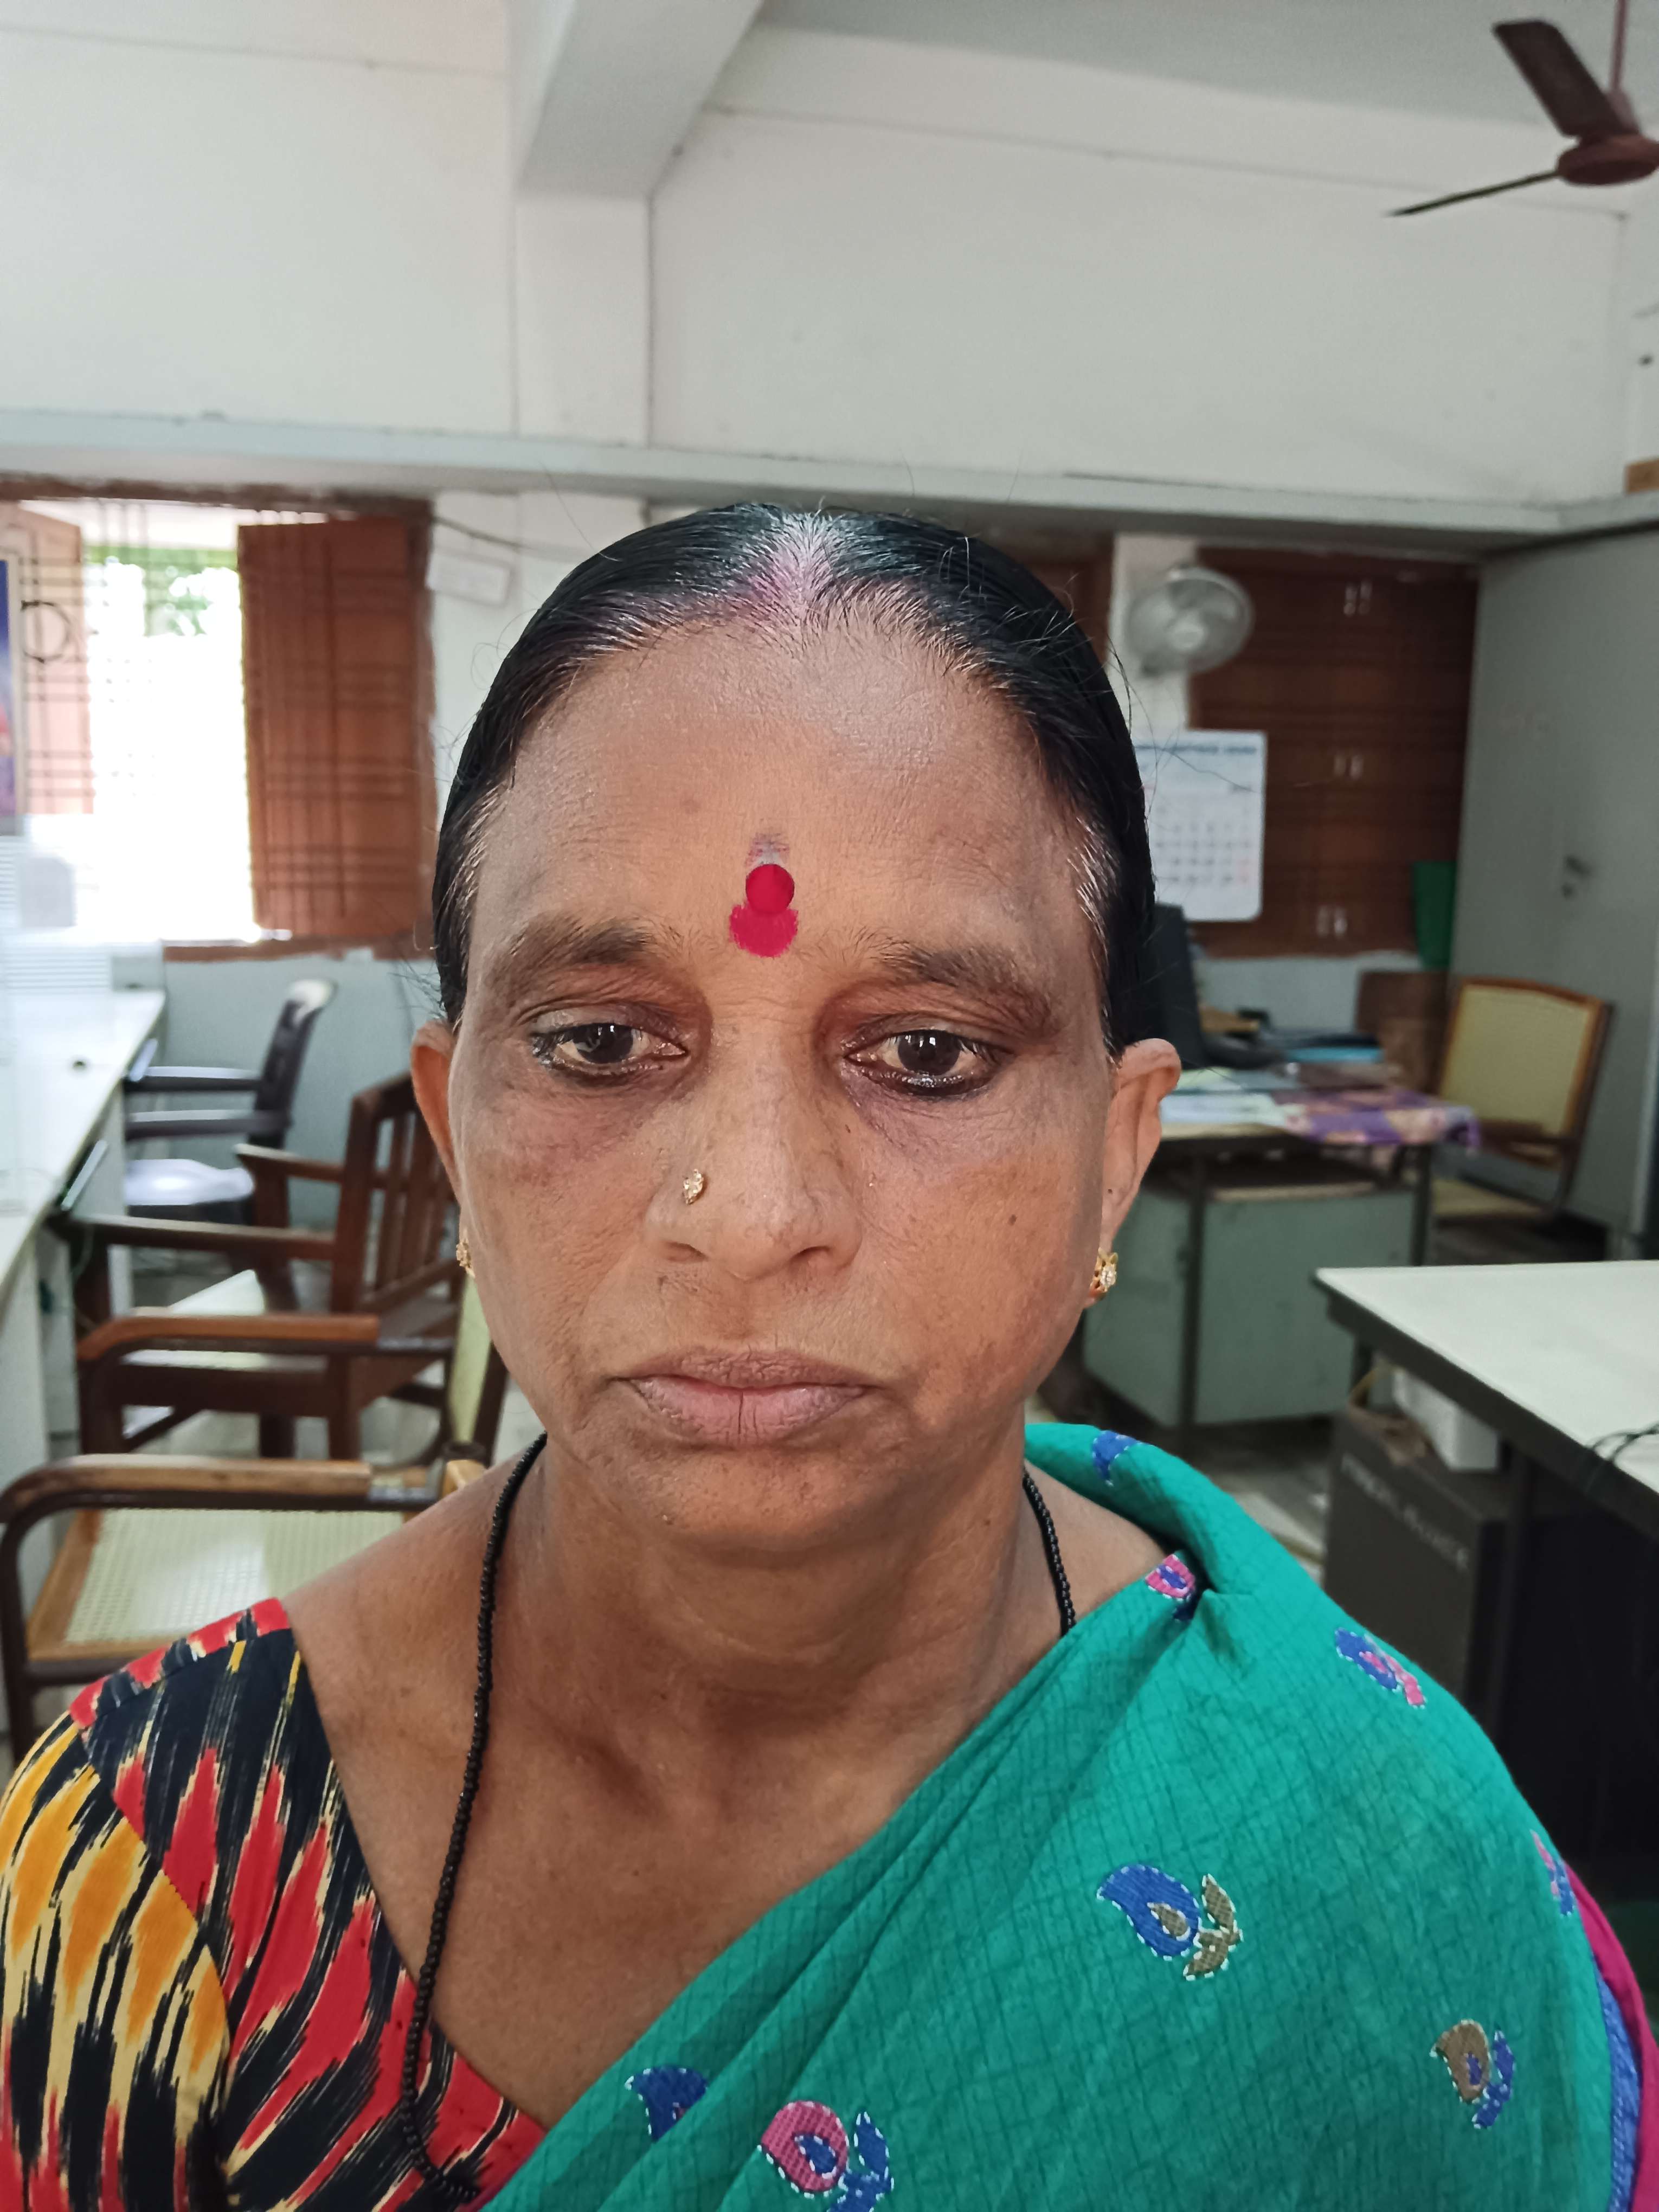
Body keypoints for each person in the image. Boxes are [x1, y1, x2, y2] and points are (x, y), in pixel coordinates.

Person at [0, 506, 1651, 2210]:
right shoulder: (150, 1868)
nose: (751, 1216)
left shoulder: (1368, 1844)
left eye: (925, 1053)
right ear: (453, 1135)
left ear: (1113, 1151)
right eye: (600, 1042)